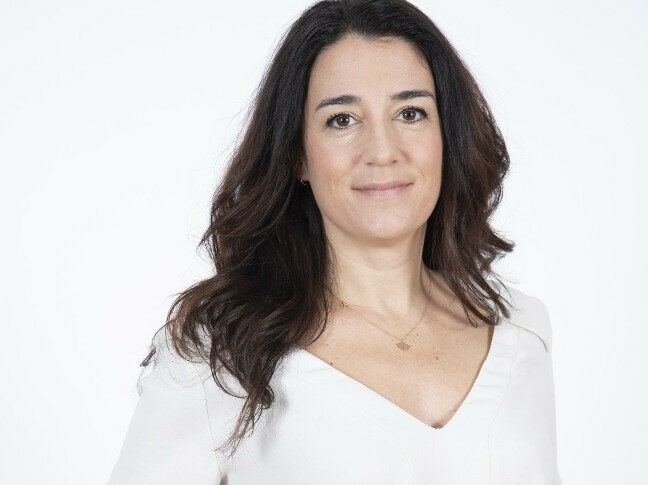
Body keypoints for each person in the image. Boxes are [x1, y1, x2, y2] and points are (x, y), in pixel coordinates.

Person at [108, 0, 561, 483]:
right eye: (341, 120)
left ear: (448, 136)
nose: (382, 151)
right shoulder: (221, 354)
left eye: (410, 113)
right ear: (298, 155)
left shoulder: (520, 329)